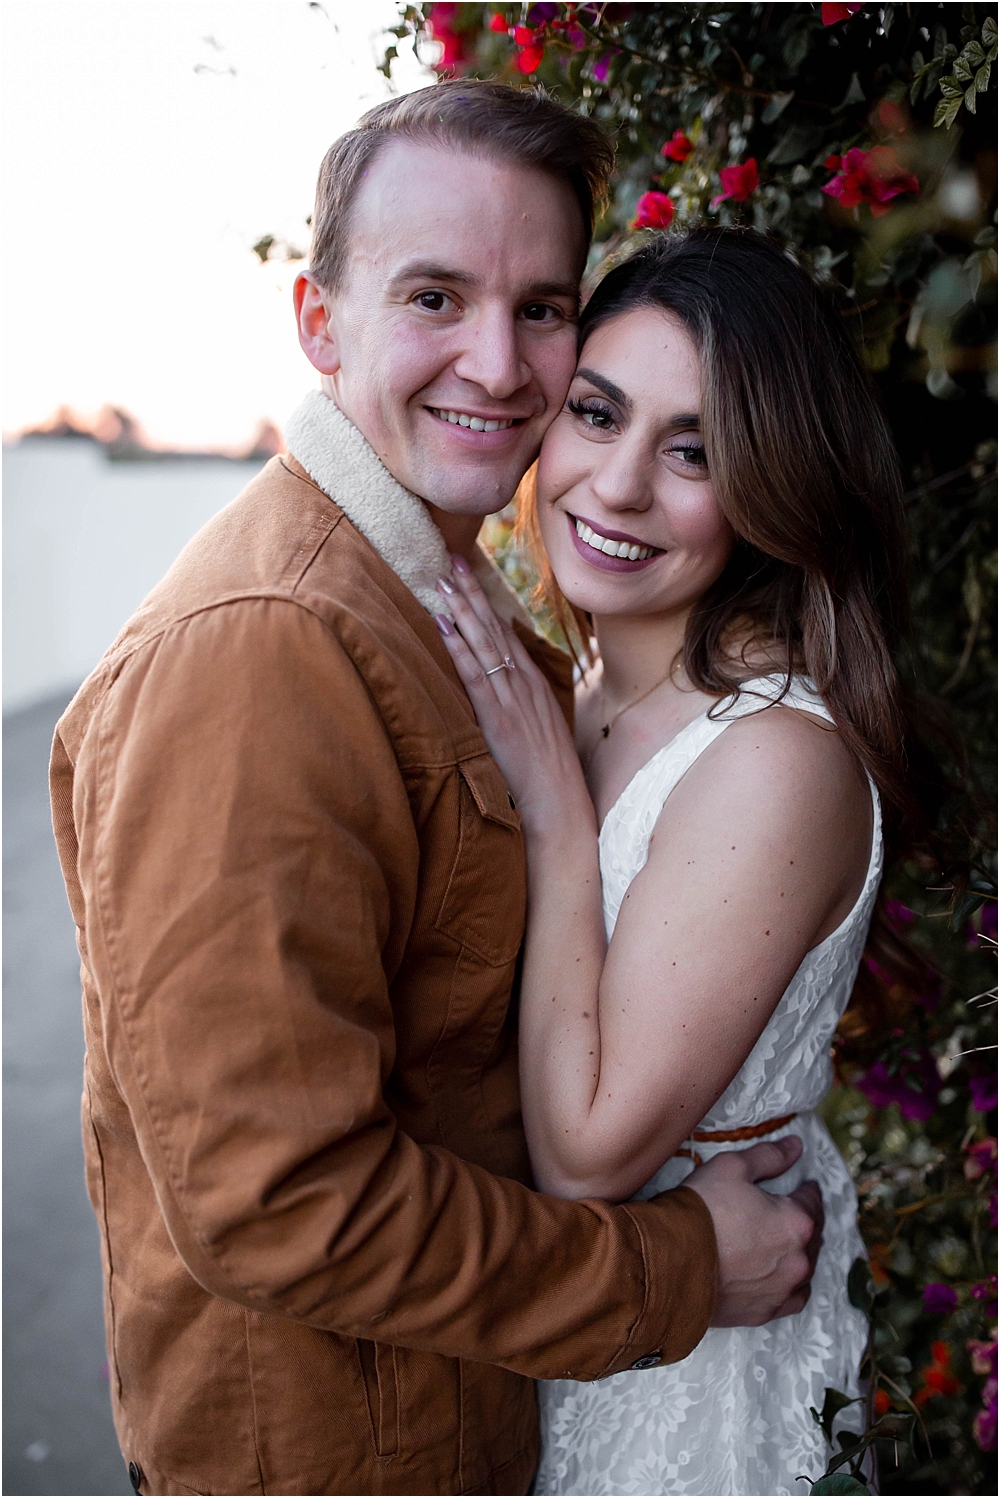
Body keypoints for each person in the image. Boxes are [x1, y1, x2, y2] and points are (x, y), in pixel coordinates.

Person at [50, 86, 821, 1498]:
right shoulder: (267, 646)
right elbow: (280, 1204)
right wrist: (680, 1265)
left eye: (540, 306)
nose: (498, 359)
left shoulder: (442, 603)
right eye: (433, 295)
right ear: (319, 320)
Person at [437, 228, 910, 1496]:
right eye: (596, 414)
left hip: (699, 1362)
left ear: (773, 487)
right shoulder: (582, 681)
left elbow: (589, 1151)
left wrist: (551, 813)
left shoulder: (773, 757)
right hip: (563, 1313)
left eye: (693, 449)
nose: (618, 483)